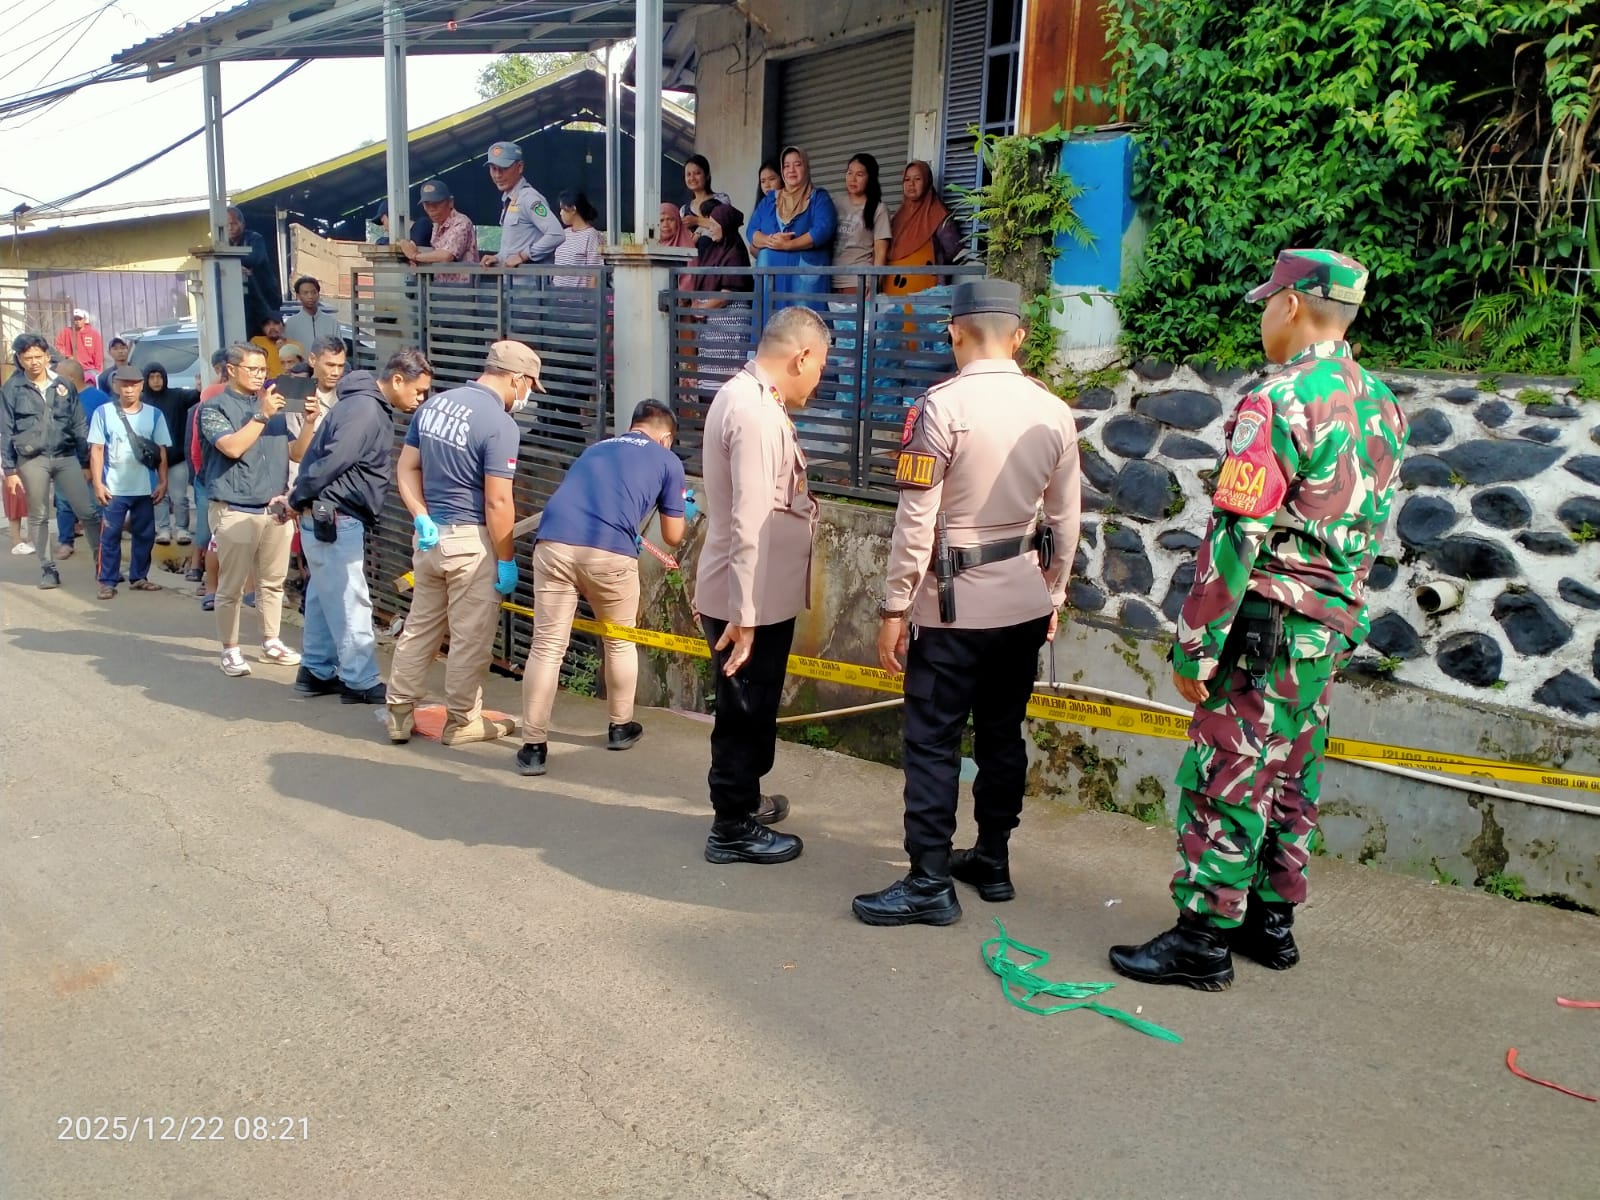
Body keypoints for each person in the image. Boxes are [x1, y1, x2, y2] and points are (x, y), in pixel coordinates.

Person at [1109, 250, 1409, 991]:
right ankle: (1270, 922)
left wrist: (1197, 640)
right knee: (1294, 772)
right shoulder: (1381, 403)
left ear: (1294, 306)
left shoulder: (1277, 402)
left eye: (1268, 302)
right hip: (1328, 628)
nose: (1263, 316)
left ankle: (1202, 938)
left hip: (1268, 623)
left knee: (1229, 772)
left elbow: (1239, 533)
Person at [851, 280, 1082, 927]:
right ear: (1020, 336)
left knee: (932, 741)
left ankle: (928, 882)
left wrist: (895, 608)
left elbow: (915, 522)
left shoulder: (939, 409)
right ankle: (994, 861)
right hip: (1024, 607)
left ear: (954, 331)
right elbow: (1066, 523)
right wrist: (1054, 592)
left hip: (953, 613)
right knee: (1002, 735)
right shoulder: (1053, 412)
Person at [693, 307, 830, 864]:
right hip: (745, 599)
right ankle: (730, 826)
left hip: (754, 594)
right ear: (800, 356)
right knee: (744, 709)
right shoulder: (755, 413)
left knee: (754, 703)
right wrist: (745, 614)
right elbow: (751, 520)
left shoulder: (752, 398)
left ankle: (744, 801)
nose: (820, 378)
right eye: (820, 365)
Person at [516, 399, 688, 777]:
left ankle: (532, 747)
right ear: (667, 437)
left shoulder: (596, 449)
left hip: (553, 545)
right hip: (609, 554)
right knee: (620, 640)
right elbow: (673, 537)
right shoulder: (667, 461)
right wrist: (680, 508)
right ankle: (620, 725)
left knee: (546, 646)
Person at [385, 340, 543, 746]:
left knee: (420, 628)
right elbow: (498, 500)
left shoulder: (433, 406)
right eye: (529, 386)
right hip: (471, 542)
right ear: (517, 378)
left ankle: (399, 713)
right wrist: (506, 558)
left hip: (429, 540)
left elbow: (406, 468)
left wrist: (420, 516)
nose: (526, 396)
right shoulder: (500, 424)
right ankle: (462, 721)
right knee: (470, 638)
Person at [288, 349, 434, 704]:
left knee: (325, 594)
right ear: (397, 379)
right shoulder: (367, 411)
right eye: (419, 390)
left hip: (328, 512)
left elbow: (325, 459)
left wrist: (300, 497)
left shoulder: (361, 405)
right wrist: (297, 497)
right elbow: (331, 461)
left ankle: (317, 670)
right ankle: (359, 679)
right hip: (336, 513)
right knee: (350, 597)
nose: (421, 398)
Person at [199, 343, 314, 677]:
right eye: (252, 369)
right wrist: (262, 414)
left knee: (273, 582)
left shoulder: (274, 408)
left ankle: (271, 640)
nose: (259, 376)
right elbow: (232, 448)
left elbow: (295, 453)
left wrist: (308, 422)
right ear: (231, 369)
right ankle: (230, 649)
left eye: (263, 370)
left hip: (275, 509)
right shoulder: (214, 408)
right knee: (232, 586)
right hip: (234, 508)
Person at [0, 333, 101, 590]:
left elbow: (79, 423)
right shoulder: (12, 389)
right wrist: (10, 470)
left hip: (66, 455)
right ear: (20, 360)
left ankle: (103, 563)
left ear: (47, 357)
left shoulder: (63, 384)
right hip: (32, 459)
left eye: (38, 357)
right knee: (39, 515)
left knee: (88, 511)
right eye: (27, 358)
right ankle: (48, 569)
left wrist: (85, 462)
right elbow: (6, 429)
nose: (33, 362)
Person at [89, 364, 171, 600]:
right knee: (110, 535)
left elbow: (161, 451)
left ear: (141, 386)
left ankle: (139, 577)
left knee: (145, 534)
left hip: (145, 486)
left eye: (133, 385)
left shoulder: (154, 414)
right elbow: (96, 450)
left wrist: (163, 481)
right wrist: (97, 483)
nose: (128, 390)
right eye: (124, 385)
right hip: (113, 487)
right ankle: (107, 581)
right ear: (116, 386)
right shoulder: (103, 413)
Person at [747, 146, 837, 308]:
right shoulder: (769, 200)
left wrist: (788, 244)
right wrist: (770, 241)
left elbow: (823, 230)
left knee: (802, 325)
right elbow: (751, 231)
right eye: (786, 166)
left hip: (804, 276)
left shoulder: (819, 198)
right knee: (771, 326)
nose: (791, 170)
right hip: (770, 276)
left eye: (797, 164)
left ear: (806, 167)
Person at [689, 202, 755, 395]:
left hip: (729, 324)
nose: (710, 228)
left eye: (714, 224)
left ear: (725, 225)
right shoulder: (714, 248)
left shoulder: (735, 252)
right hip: (711, 324)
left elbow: (727, 294)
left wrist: (702, 308)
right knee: (708, 379)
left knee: (725, 382)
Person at [50, 358, 108, 560]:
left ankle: (102, 547)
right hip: (63, 459)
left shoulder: (99, 399)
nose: (54, 379)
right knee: (64, 503)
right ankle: (66, 541)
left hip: (92, 463)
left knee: (94, 506)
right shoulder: (57, 398)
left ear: (71, 378)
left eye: (58, 375)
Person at [477, 142, 565, 268]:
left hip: (531, 284)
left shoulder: (529, 198)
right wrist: (498, 257)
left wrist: (523, 256)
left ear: (519, 167)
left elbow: (557, 234)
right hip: (512, 283)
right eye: (493, 168)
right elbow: (515, 246)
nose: (497, 175)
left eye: (503, 168)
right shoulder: (509, 200)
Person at [141, 364, 199, 546]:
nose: (156, 381)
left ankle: (182, 528)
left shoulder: (177, 396)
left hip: (177, 458)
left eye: (159, 376)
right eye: (152, 377)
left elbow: (197, 395)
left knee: (179, 497)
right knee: (159, 496)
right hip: (152, 460)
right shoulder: (141, 401)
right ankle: (163, 528)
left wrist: (200, 385)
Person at [884, 161, 962, 296]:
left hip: (926, 299)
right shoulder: (897, 218)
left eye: (917, 179)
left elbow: (955, 251)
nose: (911, 184)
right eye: (907, 179)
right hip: (893, 299)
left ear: (927, 181)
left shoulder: (939, 215)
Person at [188, 349, 228, 586]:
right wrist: (201, 474)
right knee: (211, 532)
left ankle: (211, 583)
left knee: (216, 533)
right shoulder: (209, 397)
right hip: (210, 477)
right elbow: (194, 446)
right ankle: (205, 578)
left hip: (224, 477)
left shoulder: (257, 396)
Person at [831, 153, 892, 293]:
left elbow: (880, 252)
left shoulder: (878, 209)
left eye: (859, 174)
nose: (853, 179)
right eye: (849, 173)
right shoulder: (835, 204)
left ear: (870, 178)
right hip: (830, 280)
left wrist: (875, 287)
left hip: (859, 283)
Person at [397, 178, 478, 283]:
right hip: (441, 288)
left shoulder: (461, 222)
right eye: (427, 204)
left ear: (450, 202)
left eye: (436, 204)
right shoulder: (436, 226)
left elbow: (446, 255)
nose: (431, 209)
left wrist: (414, 256)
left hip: (464, 291)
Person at [227, 206, 278, 336]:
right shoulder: (225, 243)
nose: (229, 228)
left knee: (268, 338)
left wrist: (233, 264)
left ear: (242, 224)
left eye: (233, 223)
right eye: (226, 224)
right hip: (243, 304)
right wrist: (236, 267)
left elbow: (254, 259)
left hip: (266, 300)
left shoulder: (255, 239)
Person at [552, 191, 604, 288]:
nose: (560, 213)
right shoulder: (563, 233)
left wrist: (591, 300)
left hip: (578, 300)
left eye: (562, 209)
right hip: (557, 298)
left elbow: (595, 274)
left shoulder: (591, 235)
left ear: (573, 209)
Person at [679, 154, 731, 238]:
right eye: (688, 174)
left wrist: (696, 221)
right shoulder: (684, 210)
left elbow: (724, 225)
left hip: (718, 250)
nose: (692, 178)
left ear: (707, 175)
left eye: (697, 173)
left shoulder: (721, 199)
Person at [283, 277, 339, 353]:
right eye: (305, 293)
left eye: (314, 292)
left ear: (318, 294)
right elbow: (288, 352)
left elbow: (340, 348)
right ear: (298, 296)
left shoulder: (332, 322)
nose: (310, 296)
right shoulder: (291, 324)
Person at [54, 309, 104, 379]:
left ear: (84, 320)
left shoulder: (94, 334)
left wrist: (98, 370)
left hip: (89, 369)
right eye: (75, 319)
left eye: (79, 319)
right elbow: (58, 345)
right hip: (72, 368)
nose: (77, 321)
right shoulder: (66, 332)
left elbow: (98, 353)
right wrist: (67, 355)